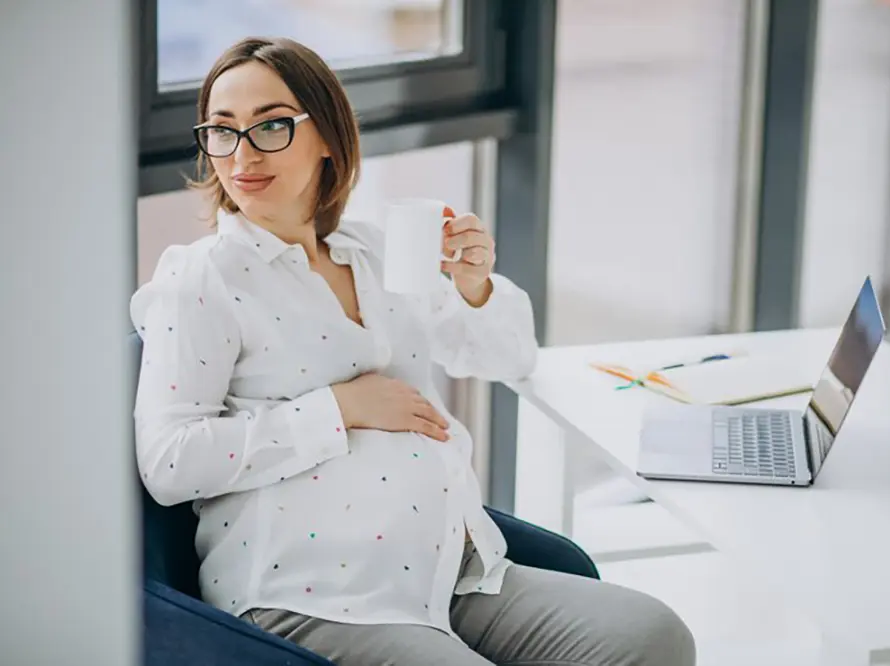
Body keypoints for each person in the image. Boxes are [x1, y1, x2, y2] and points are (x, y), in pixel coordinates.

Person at [131, 36, 696, 666]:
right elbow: (168, 462)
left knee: (652, 635)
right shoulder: (202, 278)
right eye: (223, 131)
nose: (242, 154)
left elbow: (508, 358)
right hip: (308, 593)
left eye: (271, 127)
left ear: (327, 137)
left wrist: (475, 286)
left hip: (447, 573)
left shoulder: (373, 253)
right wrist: (339, 409)